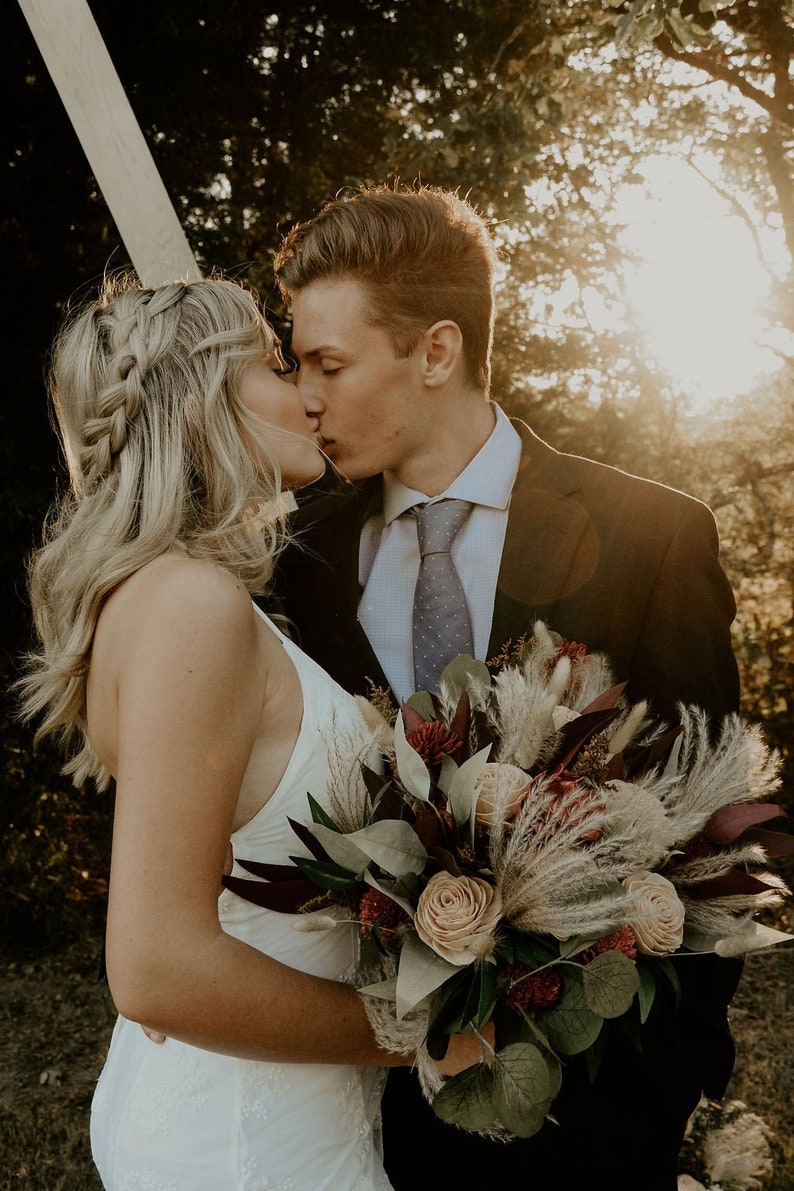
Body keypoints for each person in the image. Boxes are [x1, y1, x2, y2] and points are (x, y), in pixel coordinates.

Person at [270, 182, 745, 1191]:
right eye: (297, 363)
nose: (303, 395)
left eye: (327, 363)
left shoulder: (649, 537)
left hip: (605, 1107)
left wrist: (668, 1080)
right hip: (375, 1105)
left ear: (434, 353)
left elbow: (718, 822)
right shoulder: (297, 560)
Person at [15, 272, 479, 1191]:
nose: (307, 392)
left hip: (241, 1110)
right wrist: (420, 1030)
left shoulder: (161, 592)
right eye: (272, 364)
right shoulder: (191, 604)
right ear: (200, 400)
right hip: (245, 1144)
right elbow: (156, 971)